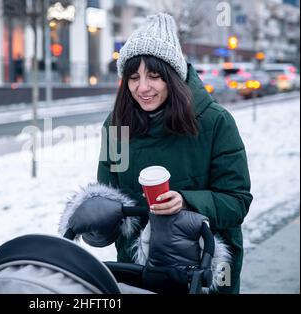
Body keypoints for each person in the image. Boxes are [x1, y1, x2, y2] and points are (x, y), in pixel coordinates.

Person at [96, 13, 253, 294]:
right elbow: (110, 194)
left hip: (203, 270)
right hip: (138, 272)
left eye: (154, 76)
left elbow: (237, 202)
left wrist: (186, 202)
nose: (142, 87)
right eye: (133, 77)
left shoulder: (215, 122)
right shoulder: (117, 126)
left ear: (174, 78)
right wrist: (94, 215)